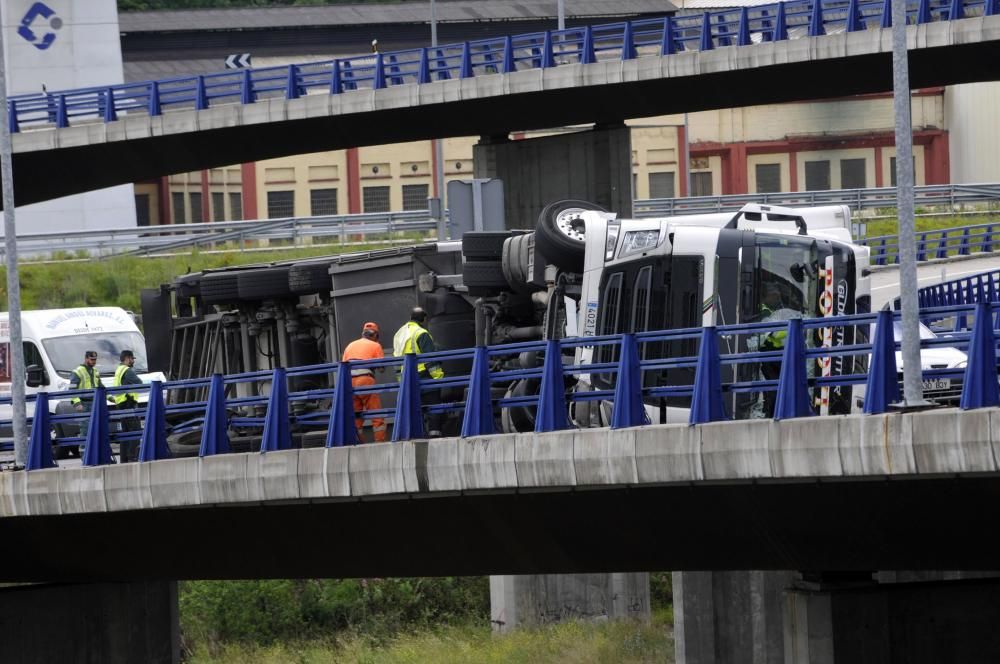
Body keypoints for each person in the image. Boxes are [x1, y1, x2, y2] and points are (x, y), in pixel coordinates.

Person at [393, 307, 445, 437]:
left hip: (406, 377)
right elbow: (430, 358)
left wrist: (401, 380)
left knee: (414, 407)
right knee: (434, 407)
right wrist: (438, 377)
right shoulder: (421, 332)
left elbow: (396, 359)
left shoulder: (399, 334)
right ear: (423, 319)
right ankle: (434, 434)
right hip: (423, 375)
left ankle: (417, 434)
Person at [341, 322, 387, 442]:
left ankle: (359, 443)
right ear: (375, 335)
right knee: (376, 416)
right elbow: (382, 368)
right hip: (365, 380)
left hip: (349, 382)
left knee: (356, 417)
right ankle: (380, 443)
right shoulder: (375, 345)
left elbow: (343, 366)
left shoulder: (349, 346)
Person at [111, 350, 143, 461]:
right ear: (127, 358)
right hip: (128, 404)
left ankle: (124, 459)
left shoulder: (119, 369)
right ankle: (133, 457)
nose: (133, 360)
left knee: (126, 433)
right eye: (132, 358)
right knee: (135, 431)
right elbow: (139, 383)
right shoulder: (127, 371)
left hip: (121, 405)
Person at [69, 350, 102, 446]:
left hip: (94, 403)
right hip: (83, 404)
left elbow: (101, 387)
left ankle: (94, 456)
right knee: (86, 431)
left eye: (95, 360)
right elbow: (72, 390)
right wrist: (77, 403)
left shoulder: (95, 371)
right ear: (86, 358)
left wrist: (111, 398)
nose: (94, 362)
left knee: (96, 430)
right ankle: (85, 456)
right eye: (92, 359)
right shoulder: (78, 371)